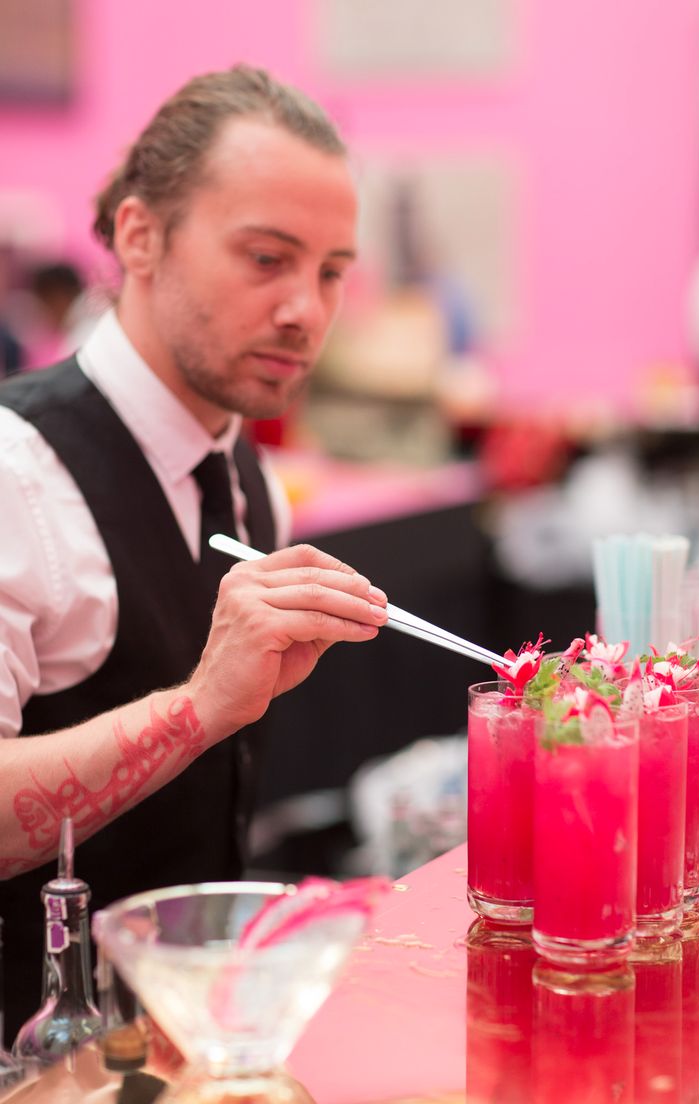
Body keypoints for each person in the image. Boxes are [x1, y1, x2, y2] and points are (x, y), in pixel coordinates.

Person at [0, 64, 387, 1039]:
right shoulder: (16, 475)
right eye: (266, 258)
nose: (306, 309)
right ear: (140, 235)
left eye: (331, 271)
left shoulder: (243, 473)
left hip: (184, 1040)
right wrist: (200, 707)